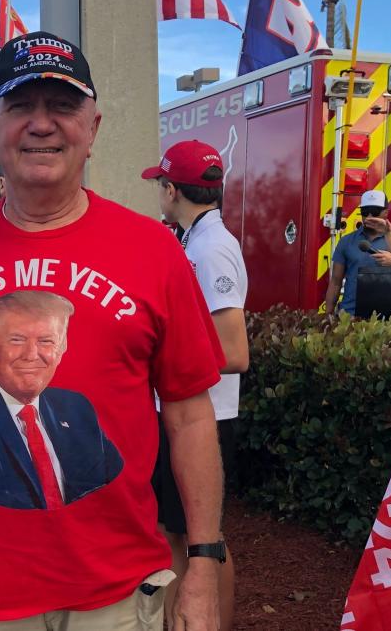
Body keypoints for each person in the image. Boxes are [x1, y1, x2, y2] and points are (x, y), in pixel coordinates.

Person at [0, 30, 226, 630]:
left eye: (63, 106)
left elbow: (190, 414)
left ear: (92, 127)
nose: (42, 125)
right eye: (20, 106)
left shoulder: (154, 250)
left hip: (119, 597)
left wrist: (202, 561)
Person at [143, 140, 250, 631]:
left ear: (170, 190)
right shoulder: (196, 242)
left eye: (158, 187)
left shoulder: (209, 250)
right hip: (191, 409)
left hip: (205, 415)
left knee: (201, 541)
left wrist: (157, 363)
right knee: (181, 535)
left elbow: (235, 351)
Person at [0, 291, 123, 510]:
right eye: (17, 340)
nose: (31, 354)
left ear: (62, 348)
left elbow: (114, 487)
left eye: (46, 341)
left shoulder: (77, 408)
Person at [325, 190, 391, 315]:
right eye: (365, 212)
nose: (369, 217)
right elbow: (335, 282)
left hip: (386, 315)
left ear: (385, 213)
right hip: (350, 313)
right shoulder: (346, 241)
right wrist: (328, 314)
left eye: (375, 212)